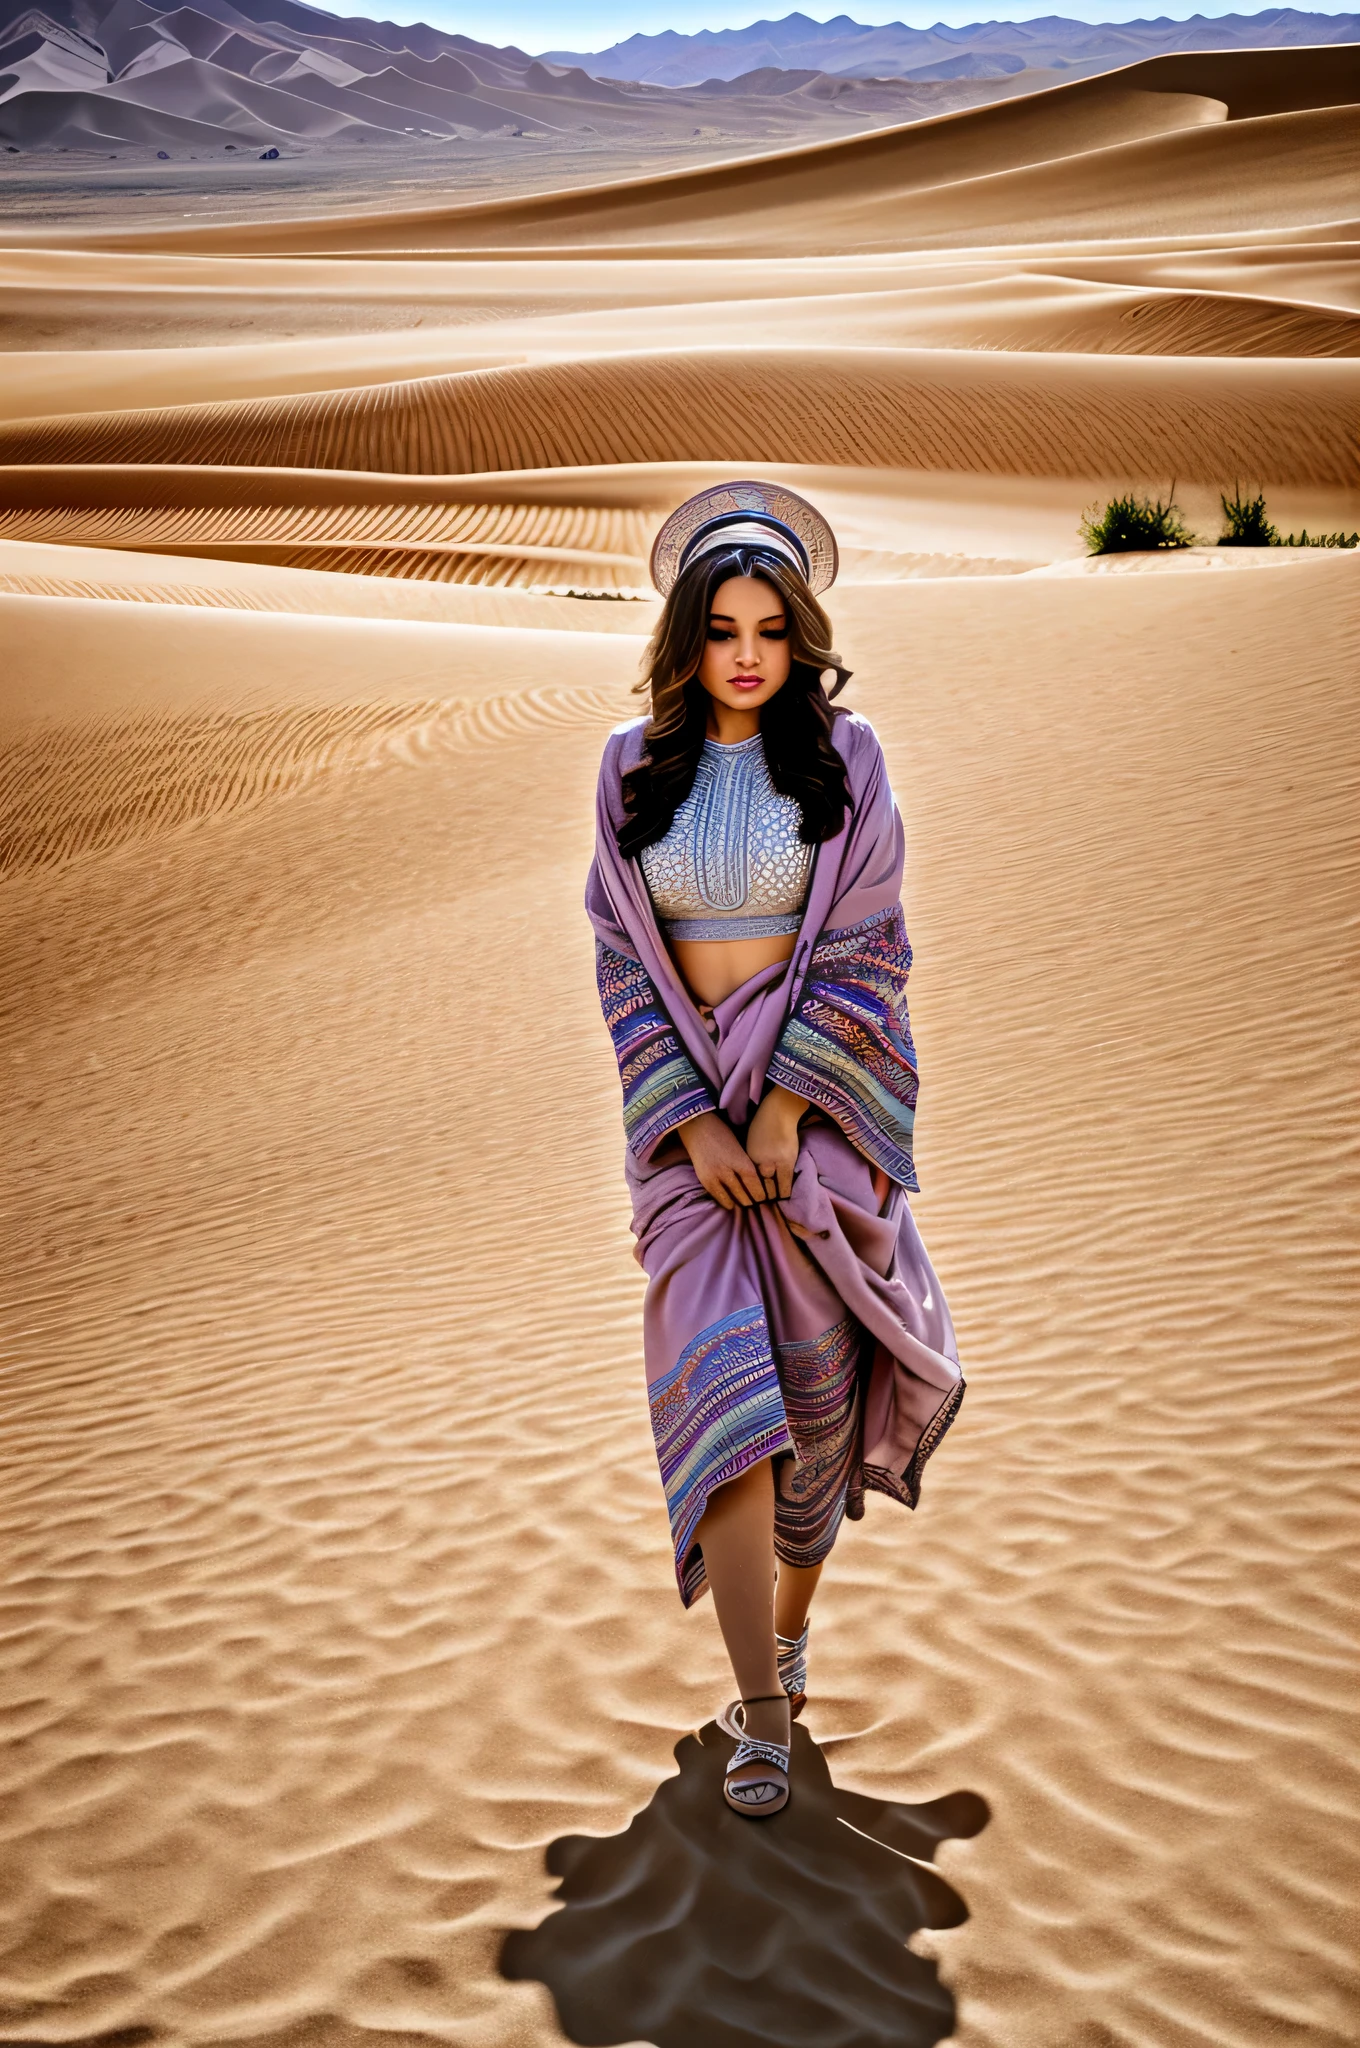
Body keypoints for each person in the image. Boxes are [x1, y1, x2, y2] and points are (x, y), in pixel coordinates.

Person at [586, 481, 963, 1819]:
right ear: (684, 639)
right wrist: (692, 1121)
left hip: (809, 1138)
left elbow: (869, 947)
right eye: (721, 628)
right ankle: (757, 1708)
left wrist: (790, 1109)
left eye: (770, 628)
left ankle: (791, 1639)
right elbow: (624, 964)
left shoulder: (847, 764)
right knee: (731, 1415)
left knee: (808, 1430)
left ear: (802, 636)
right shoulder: (629, 769)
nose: (746, 652)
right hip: (693, 1153)